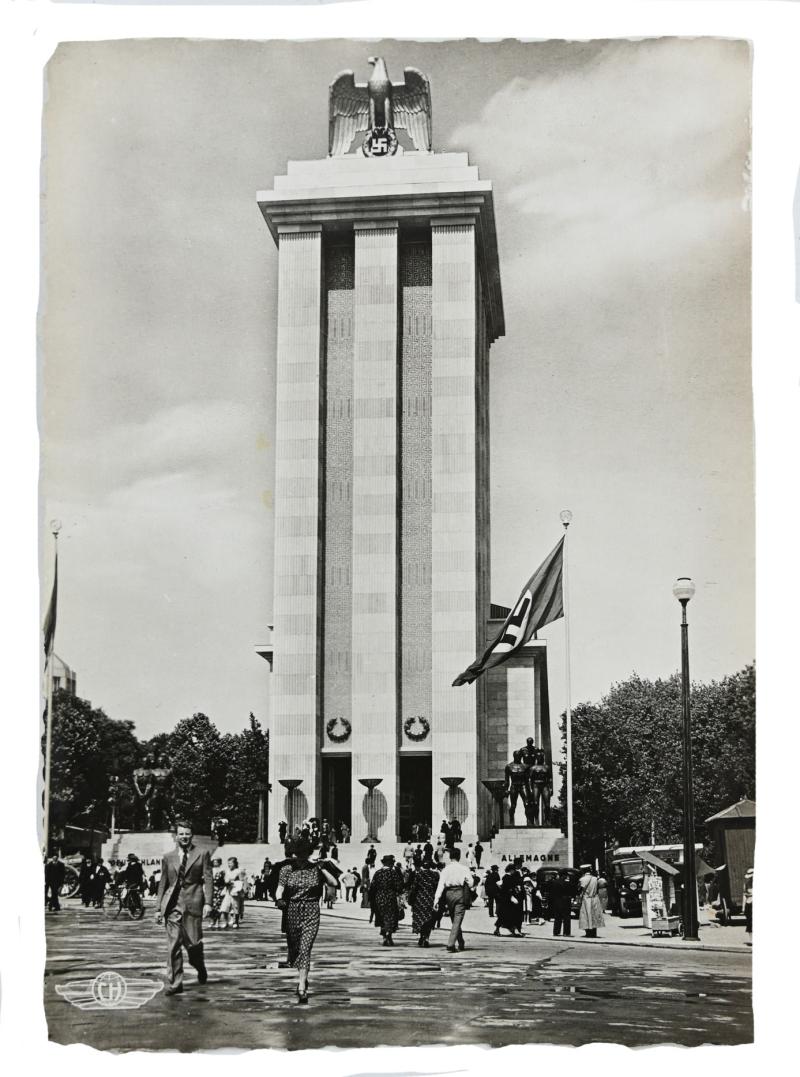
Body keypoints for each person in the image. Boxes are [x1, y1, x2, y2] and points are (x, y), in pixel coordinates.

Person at [275, 837, 338, 1004]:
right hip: (292, 910)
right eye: (300, 853)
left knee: (305, 948)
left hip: (311, 910)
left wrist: (321, 868)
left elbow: (334, 883)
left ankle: (302, 984)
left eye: (305, 853)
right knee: (295, 948)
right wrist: (279, 900)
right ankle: (302, 976)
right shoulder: (287, 869)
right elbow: (279, 889)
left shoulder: (316, 869)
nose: (302, 856)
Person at [156, 820, 213, 995]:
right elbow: (163, 883)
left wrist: (209, 903)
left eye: (187, 833)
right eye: (181, 834)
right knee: (173, 946)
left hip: (193, 904)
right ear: (176, 836)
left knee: (193, 946)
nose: (184, 837)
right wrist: (158, 908)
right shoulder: (168, 857)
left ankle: (199, 966)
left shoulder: (202, 853)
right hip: (172, 906)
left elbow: (208, 879)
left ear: (192, 835)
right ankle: (175, 983)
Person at [433, 847, 473, 953]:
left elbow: (441, 885)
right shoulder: (464, 868)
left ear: (450, 857)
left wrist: (436, 899)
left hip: (448, 894)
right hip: (460, 892)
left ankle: (461, 942)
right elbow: (471, 883)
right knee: (458, 919)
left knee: (454, 919)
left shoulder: (446, 869)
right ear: (459, 857)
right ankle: (451, 944)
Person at [369, 854, 404, 946]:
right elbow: (399, 886)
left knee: (381, 916)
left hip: (379, 897)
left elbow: (372, 887)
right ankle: (389, 934)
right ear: (391, 864)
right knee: (390, 916)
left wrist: (372, 899)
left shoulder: (378, 873)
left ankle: (384, 936)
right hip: (390, 897)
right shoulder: (393, 873)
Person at [409, 861, 440, 947]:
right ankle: (426, 937)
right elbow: (437, 888)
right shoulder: (435, 875)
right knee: (429, 919)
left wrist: (411, 900)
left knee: (420, 919)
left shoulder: (419, 875)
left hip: (420, 900)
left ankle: (422, 936)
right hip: (430, 899)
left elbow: (414, 888)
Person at [494, 864, 525, 937]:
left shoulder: (507, 877)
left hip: (507, 900)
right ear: (511, 870)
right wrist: (511, 897)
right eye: (513, 870)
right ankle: (499, 930)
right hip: (507, 900)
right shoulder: (507, 877)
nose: (514, 871)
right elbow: (507, 889)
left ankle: (508, 930)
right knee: (504, 916)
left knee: (506, 916)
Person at [578, 865, 605, 938]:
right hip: (595, 898)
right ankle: (594, 932)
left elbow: (580, 890)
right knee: (594, 915)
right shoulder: (595, 879)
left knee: (586, 915)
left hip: (586, 899)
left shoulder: (582, 879)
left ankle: (588, 932)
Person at [219, 856, 245, 929]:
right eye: (228, 863)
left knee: (235, 907)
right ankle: (225, 922)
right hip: (228, 891)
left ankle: (235, 922)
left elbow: (241, 881)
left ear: (234, 863)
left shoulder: (239, 871)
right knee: (224, 907)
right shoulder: (227, 871)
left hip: (235, 891)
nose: (229, 865)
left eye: (230, 863)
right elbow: (224, 880)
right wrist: (225, 883)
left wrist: (234, 883)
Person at [548, 870, 573, 937]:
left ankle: (556, 932)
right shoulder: (567, 883)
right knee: (566, 917)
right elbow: (571, 892)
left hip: (557, 900)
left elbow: (552, 892)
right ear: (564, 875)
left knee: (557, 917)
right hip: (566, 900)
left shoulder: (555, 882)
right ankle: (566, 932)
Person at [743, 868, 753, 945]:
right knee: (749, 922)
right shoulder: (746, 884)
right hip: (749, 904)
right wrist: (743, 907)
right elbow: (744, 896)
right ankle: (751, 940)